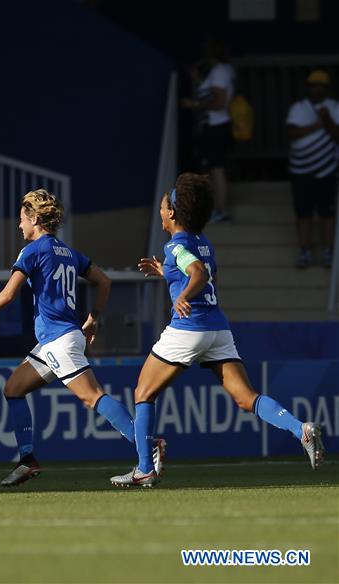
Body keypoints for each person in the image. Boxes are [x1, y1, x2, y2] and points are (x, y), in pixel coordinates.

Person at [110, 173, 325, 488]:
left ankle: (144, 468)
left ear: (172, 213)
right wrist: (168, 274)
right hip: (217, 328)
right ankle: (300, 429)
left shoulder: (175, 247)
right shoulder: (203, 243)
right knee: (246, 398)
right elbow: (203, 273)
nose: (160, 212)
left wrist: (182, 295)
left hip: (188, 328)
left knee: (144, 392)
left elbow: (196, 273)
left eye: (161, 207)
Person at [0, 189, 143, 487]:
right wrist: (93, 319)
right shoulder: (67, 251)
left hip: (60, 341)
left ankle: (147, 449)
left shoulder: (33, 251)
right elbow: (103, 280)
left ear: (34, 218)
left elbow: (7, 293)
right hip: (56, 339)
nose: (19, 226)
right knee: (13, 388)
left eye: (21, 220)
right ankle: (27, 460)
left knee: (92, 396)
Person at [286, 69, 339, 269]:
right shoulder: (299, 108)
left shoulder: (335, 107)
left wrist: (327, 120)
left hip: (326, 170)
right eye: (313, 85)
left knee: (326, 213)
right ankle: (305, 251)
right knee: (303, 213)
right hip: (300, 171)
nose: (316, 89)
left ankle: (328, 252)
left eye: (320, 86)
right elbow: (292, 133)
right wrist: (318, 124)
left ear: (327, 88)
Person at [181, 40, 234, 224]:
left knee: (216, 167)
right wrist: (197, 78)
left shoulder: (220, 71)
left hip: (216, 125)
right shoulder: (219, 72)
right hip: (212, 125)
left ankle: (221, 210)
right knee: (212, 168)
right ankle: (216, 209)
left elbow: (219, 102)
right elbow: (208, 92)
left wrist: (194, 104)